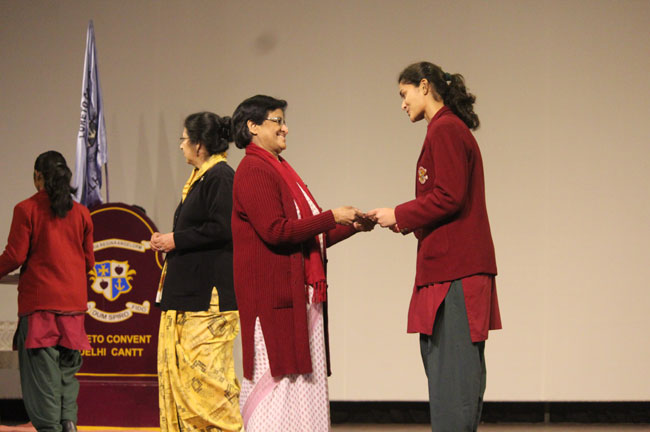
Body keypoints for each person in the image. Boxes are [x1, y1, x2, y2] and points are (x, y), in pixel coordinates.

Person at [368, 62, 502, 432]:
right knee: (449, 373)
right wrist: (404, 219)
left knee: (453, 377)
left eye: (404, 93)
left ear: (424, 86)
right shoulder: (444, 129)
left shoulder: (445, 129)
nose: (402, 103)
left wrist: (400, 213)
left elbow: (449, 195)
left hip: (455, 270)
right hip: (451, 268)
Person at [230, 95, 374, 431]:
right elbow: (276, 231)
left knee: (302, 387)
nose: (285, 128)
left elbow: (308, 237)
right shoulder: (253, 170)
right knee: (276, 387)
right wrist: (330, 216)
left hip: (298, 297)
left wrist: (352, 226)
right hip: (273, 301)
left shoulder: (279, 168)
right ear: (253, 127)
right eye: (277, 121)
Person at [151, 112, 242, 432]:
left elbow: (223, 227)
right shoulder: (201, 177)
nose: (181, 147)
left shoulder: (220, 176)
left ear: (199, 145)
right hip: (189, 296)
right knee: (187, 380)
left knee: (208, 384)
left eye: (184, 140)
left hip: (208, 300)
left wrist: (175, 240)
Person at [0, 151, 94, 432]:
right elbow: (89, 261)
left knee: (41, 377)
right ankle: (68, 421)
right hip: (73, 308)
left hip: (41, 308)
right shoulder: (82, 213)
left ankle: (50, 428)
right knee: (67, 372)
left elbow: (14, 256)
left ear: (37, 177)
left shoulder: (26, 209)